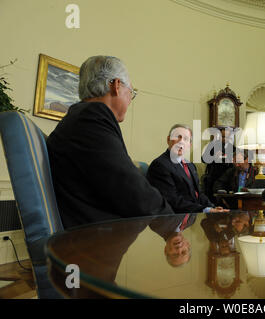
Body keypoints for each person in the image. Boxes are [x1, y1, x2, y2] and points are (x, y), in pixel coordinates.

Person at [46, 55, 173, 228]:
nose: (130, 99)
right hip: (92, 242)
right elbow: (131, 191)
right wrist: (173, 223)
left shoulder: (82, 117)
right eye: (131, 92)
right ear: (116, 85)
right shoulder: (91, 119)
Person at [147, 124, 229, 214]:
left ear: (189, 144)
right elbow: (173, 201)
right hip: (173, 219)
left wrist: (213, 207)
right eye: (178, 137)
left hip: (192, 216)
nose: (181, 142)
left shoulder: (190, 165)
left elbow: (198, 194)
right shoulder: (160, 165)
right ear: (168, 140)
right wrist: (205, 210)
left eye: (186, 139)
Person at [202, 128, 235, 204]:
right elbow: (203, 159)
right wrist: (213, 157)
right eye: (223, 136)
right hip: (213, 177)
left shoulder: (233, 148)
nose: (225, 139)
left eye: (227, 137)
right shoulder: (212, 146)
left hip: (227, 180)